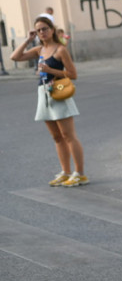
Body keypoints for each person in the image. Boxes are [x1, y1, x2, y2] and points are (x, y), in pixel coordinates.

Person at [11, 14, 87, 187]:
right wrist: (28, 39)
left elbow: (73, 74)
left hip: (59, 92)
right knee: (56, 137)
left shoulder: (60, 50)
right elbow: (15, 57)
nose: (41, 32)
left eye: (44, 29)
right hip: (44, 93)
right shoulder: (39, 50)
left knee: (68, 135)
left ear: (52, 30)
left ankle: (80, 173)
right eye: (38, 30)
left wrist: (50, 69)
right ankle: (66, 171)